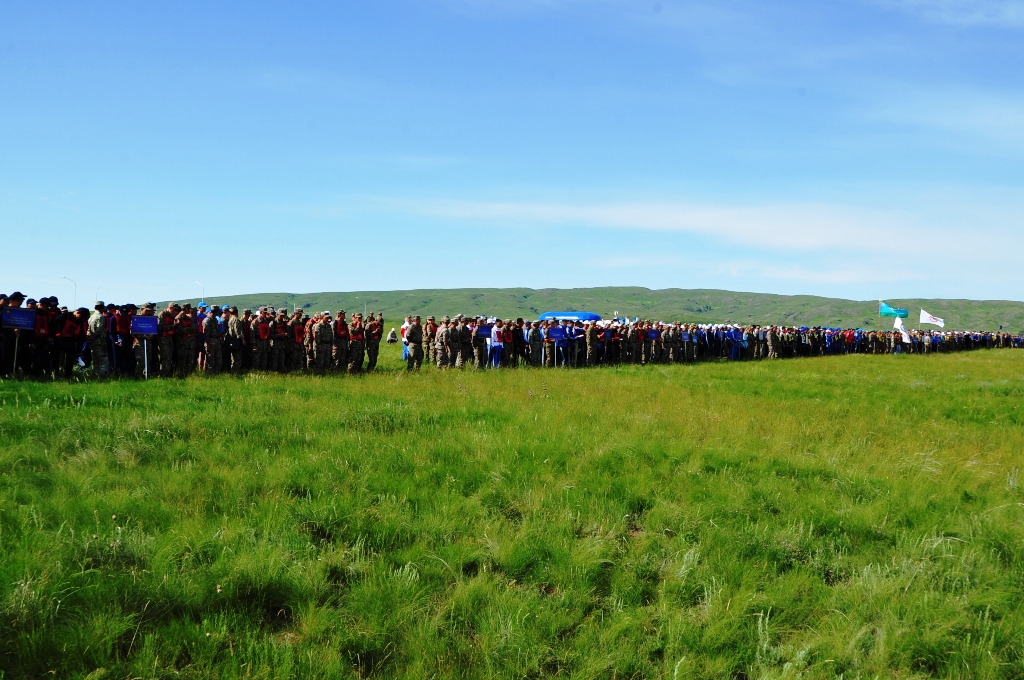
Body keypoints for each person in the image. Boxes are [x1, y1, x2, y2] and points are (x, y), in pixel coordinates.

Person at [133, 302, 158, 378]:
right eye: (146, 310)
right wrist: (143, 336)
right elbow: (133, 332)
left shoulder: (151, 319)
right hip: (140, 343)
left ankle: (146, 375)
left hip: (149, 343)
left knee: (148, 360)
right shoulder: (136, 319)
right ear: (142, 309)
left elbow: (154, 329)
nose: (148, 312)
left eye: (149, 311)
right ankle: (137, 376)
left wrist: (152, 335)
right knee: (141, 361)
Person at [88, 301, 112, 378]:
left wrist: (90, 338)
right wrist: (94, 337)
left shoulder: (91, 317)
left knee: (95, 360)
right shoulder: (100, 317)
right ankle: (102, 376)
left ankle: (95, 375)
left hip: (93, 342)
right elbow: (99, 330)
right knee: (103, 360)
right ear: (102, 308)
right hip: (99, 341)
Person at [203, 305, 224, 375]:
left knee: (218, 359)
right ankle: (209, 375)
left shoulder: (215, 320)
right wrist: (208, 345)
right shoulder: (207, 320)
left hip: (217, 340)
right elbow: (206, 334)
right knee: (210, 360)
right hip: (210, 341)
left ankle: (216, 374)